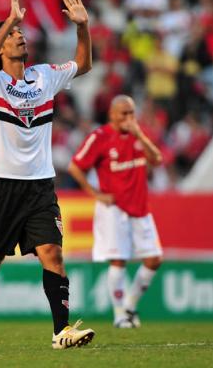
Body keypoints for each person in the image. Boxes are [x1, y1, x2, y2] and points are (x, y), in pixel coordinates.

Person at [0, 0, 95, 349]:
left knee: (53, 252)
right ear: (2, 45)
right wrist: (10, 20)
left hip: (39, 184)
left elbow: (84, 64)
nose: (21, 38)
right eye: (14, 36)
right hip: (2, 183)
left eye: (21, 34)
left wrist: (83, 28)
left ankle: (61, 332)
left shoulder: (44, 76)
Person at [68, 95, 163, 328]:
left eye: (132, 113)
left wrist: (139, 134)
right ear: (112, 114)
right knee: (118, 261)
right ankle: (120, 314)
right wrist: (95, 193)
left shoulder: (139, 135)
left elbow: (157, 159)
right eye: (124, 113)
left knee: (154, 259)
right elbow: (75, 166)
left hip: (140, 207)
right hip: (114, 209)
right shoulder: (99, 137)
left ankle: (130, 305)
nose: (129, 118)